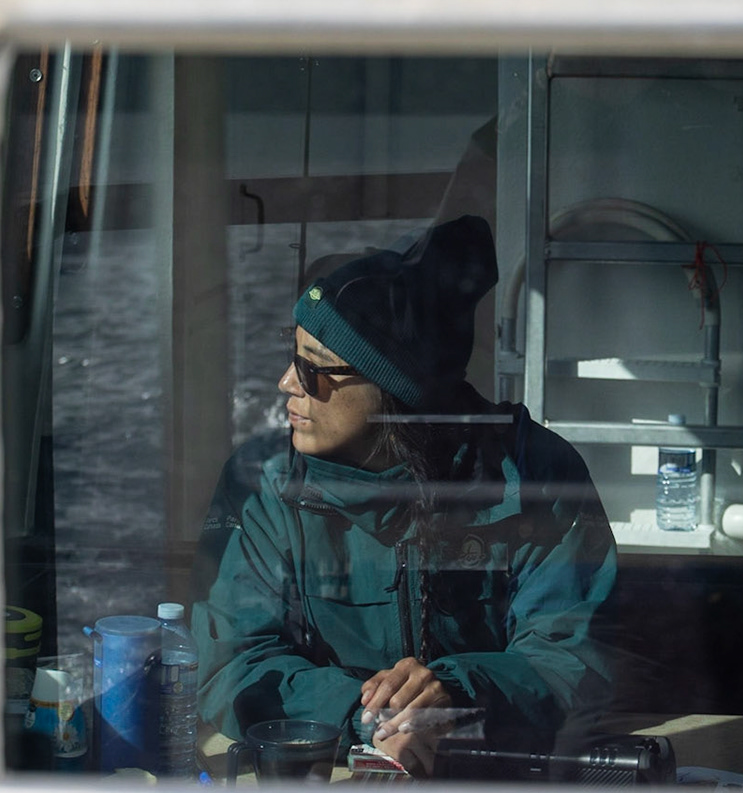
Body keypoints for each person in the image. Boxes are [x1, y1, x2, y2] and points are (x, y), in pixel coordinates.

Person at [191, 215, 618, 776]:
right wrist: (370, 718)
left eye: (312, 369)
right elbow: (232, 660)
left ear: (392, 390)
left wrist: (459, 699)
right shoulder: (264, 484)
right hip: (334, 763)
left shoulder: (537, 476)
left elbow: (575, 658)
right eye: (291, 356)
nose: (287, 384)